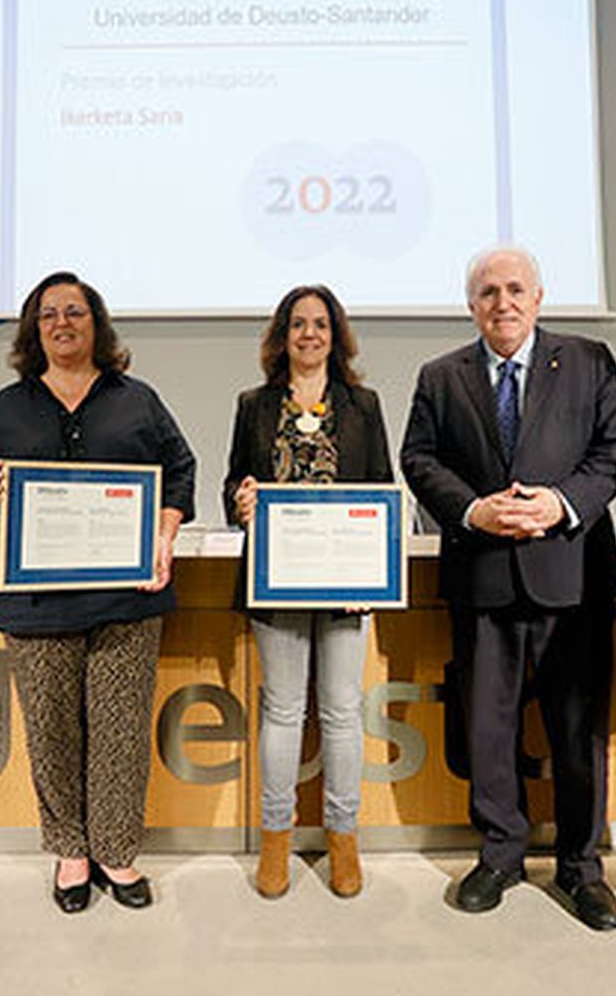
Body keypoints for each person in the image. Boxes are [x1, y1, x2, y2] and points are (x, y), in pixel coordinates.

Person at [400, 247, 616, 926]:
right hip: (482, 576)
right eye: (486, 292)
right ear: (470, 304)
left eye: (513, 289)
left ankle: (581, 866)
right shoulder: (441, 377)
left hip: (570, 571)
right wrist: (473, 509)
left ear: (539, 297)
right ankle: (500, 852)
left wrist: (560, 502)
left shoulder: (588, 360)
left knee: (576, 729)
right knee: (488, 725)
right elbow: (419, 458)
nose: (501, 302)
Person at [0, 271, 195, 914]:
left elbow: (180, 471)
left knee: (119, 728)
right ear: (36, 330)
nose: (63, 322)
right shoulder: (10, 404)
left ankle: (116, 852)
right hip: (34, 601)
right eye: (49, 314)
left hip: (125, 598)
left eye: (76, 312)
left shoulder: (137, 398)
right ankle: (70, 851)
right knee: (53, 730)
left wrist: (165, 535)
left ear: (97, 324)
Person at [223, 285, 394, 899]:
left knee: (344, 712)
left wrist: (370, 571)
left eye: (320, 324)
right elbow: (231, 490)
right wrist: (241, 502)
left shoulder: (365, 405)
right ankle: (277, 839)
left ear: (336, 335)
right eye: (298, 324)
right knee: (283, 710)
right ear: (283, 335)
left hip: (346, 584)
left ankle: (343, 837)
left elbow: (383, 490)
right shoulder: (254, 404)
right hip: (278, 581)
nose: (309, 334)